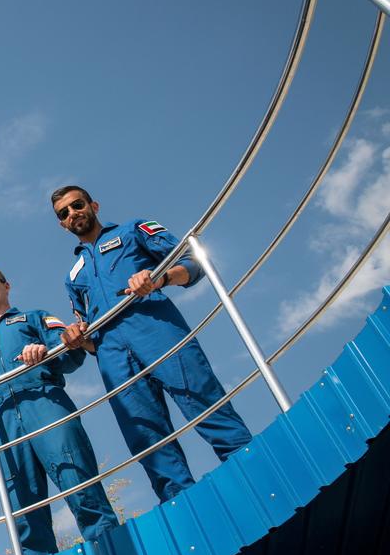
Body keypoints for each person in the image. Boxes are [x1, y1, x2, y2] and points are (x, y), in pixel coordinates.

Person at [51, 185, 252, 502]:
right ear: (62, 224)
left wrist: (160, 278)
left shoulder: (134, 230)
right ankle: (183, 506)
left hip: (158, 331)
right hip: (113, 358)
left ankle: (253, 471)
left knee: (204, 402)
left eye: (77, 205)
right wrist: (78, 339)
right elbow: (86, 330)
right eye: (64, 213)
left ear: (94, 205)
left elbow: (193, 262)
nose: (72, 213)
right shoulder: (72, 276)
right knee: (146, 437)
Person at [0, 266, 118, 555]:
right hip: (5, 427)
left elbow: (71, 353)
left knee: (80, 486)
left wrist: (44, 351)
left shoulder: (35, 318)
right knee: (25, 512)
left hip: (46, 406)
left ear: (6, 285)